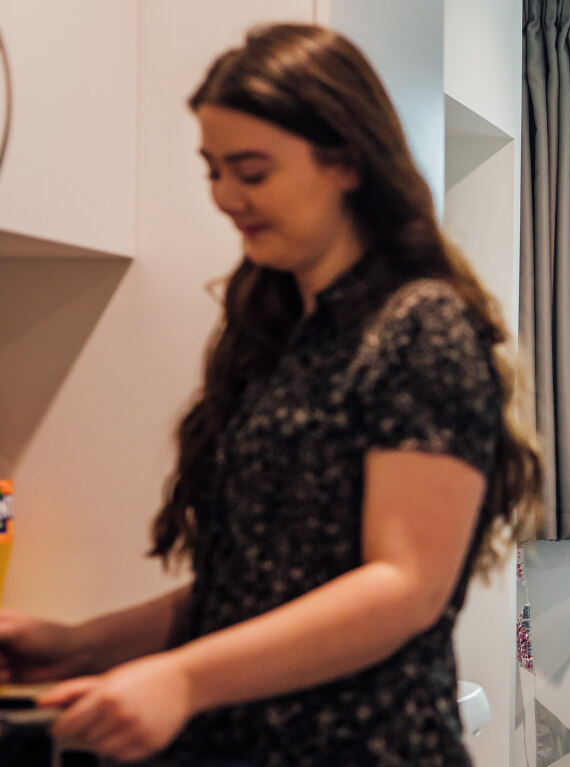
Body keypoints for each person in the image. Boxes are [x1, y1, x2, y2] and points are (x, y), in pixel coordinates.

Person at [0, 24, 542, 766]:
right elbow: (252, 587)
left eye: (251, 172)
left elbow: (404, 586)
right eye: (213, 171)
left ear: (346, 160)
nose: (226, 197)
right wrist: (79, 645)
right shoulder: (280, 335)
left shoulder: (422, 328)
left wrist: (183, 679)